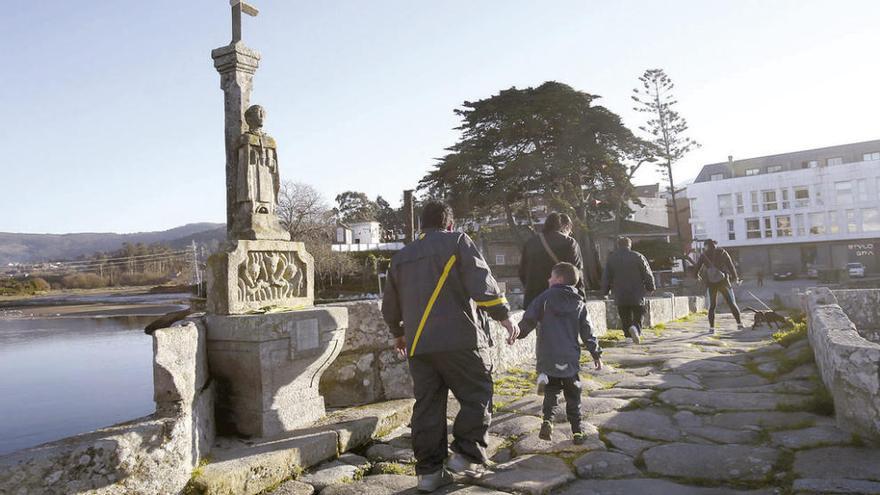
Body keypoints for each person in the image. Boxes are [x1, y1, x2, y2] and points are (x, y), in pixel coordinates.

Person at [382, 201, 518, 493]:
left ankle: (430, 474)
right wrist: (504, 316)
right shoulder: (457, 241)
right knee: (477, 394)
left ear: (422, 225)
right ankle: (467, 457)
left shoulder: (402, 256)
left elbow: (390, 303)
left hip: (419, 344)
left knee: (427, 406)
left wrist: (398, 333)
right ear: (449, 223)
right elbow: (482, 283)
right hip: (460, 339)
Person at [518, 262, 602, 445]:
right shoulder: (579, 302)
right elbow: (587, 330)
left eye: (551, 276)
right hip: (570, 357)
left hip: (548, 355)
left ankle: (547, 420)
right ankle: (577, 431)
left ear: (559, 279)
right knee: (573, 394)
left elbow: (529, 318)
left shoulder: (544, 298)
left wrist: (517, 334)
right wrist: (596, 353)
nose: (548, 279)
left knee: (552, 390)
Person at [519, 212, 584, 309]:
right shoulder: (570, 243)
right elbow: (576, 273)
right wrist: (581, 300)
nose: (570, 233)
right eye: (570, 230)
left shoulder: (530, 243)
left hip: (533, 302)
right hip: (560, 301)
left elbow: (522, 272)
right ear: (565, 226)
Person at [600, 237, 655, 344]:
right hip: (637, 292)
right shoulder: (638, 256)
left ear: (618, 245)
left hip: (620, 293)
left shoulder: (612, 258)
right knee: (639, 313)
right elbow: (647, 273)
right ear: (630, 245)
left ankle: (628, 337)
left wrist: (605, 291)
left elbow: (606, 277)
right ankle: (635, 328)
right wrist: (650, 287)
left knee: (624, 315)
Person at [693, 239, 744, 333]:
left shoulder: (704, 255)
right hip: (724, 282)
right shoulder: (723, 252)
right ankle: (739, 324)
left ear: (706, 246)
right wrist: (735, 278)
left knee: (712, 306)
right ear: (715, 245)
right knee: (731, 303)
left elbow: (697, 268)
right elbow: (731, 266)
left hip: (711, 284)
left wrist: (697, 276)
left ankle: (712, 328)